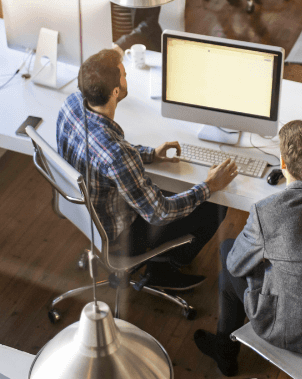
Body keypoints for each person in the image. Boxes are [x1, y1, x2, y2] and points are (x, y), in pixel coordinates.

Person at [56, 49, 239, 290]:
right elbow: (159, 213)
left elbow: (103, 151)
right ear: (115, 91)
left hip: (84, 213)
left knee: (177, 189)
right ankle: (163, 271)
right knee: (215, 205)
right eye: (124, 74)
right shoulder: (117, 154)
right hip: (120, 235)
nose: (126, 77)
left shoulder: (72, 104)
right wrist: (209, 186)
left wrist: (150, 154)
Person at [193, 120, 302, 376]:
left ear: (282, 163)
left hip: (294, 331)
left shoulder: (268, 212)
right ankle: (225, 349)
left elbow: (236, 265)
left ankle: (225, 352)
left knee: (227, 253)